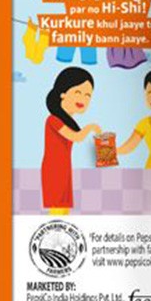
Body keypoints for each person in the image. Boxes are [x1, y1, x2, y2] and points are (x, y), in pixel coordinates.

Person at [41, 67, 101, 214]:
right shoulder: (53, 120)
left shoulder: (68, 122)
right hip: (54, 170)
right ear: (63, 93)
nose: (83, 99)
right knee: (57, 208)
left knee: (64, 208)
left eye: (88, 95)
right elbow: (77, 137)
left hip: (64, 168)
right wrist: (91, 127)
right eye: (78, 92)